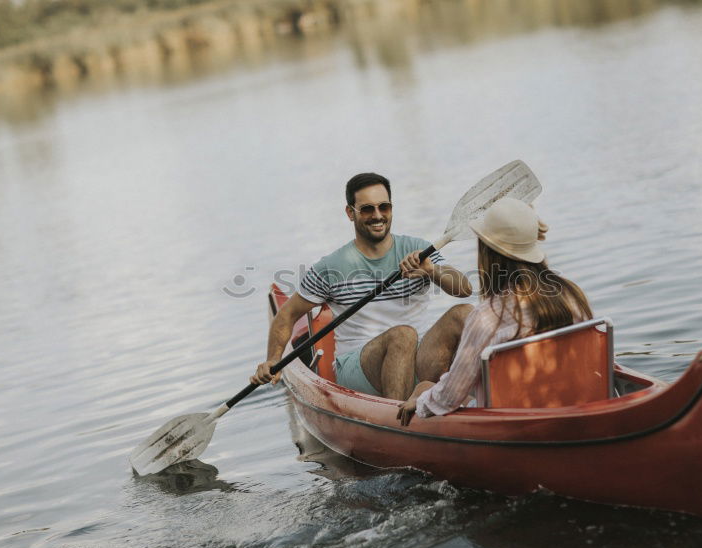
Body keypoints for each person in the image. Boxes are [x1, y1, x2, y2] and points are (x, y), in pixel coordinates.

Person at [251, 173, 473, 400]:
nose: (377, 216)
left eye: (383, 207)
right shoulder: (329, 267)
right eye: (367, 209)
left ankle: (478, 397)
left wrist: (432, 271)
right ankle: (396, 421)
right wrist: (272, 360)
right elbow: (287, 315)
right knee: (403, 336)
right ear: (350, 213)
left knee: (463, 313)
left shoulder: (419, 248)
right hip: (359, 367)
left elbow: (464, 289)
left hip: (420, 356)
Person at [397, 197, 593, 426]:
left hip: (507, 422)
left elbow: (449, 397)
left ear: (488, 253)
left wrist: (422, 400)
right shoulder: (572, 295)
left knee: (424, 389)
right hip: (567, 406)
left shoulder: (488, 317)